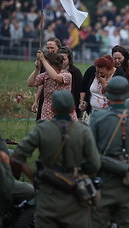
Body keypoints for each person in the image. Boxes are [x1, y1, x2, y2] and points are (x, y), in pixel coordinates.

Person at [12, 90, 101, 228]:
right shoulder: (83, 131)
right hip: (75, 194)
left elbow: (17, 156)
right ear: (72, 108)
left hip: (48, 194)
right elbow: (94, 164)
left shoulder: (42, 129)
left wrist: (33, 177)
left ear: (52, 108)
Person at [90, 76, 129, 228]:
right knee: (128, 223)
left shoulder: (98, 117)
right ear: (127, 94)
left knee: (97, 223)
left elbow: (90, 148)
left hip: (103, 178)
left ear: (108, 94)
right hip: (128, 179)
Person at [27, 50, 77, 121]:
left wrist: (43, 60)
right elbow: (30, 83)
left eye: (47, 64)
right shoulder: (44, 75)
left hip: (63, 110)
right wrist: (37, 69)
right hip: (47, 111)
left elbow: (55, 77)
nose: (45, 66)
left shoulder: (67, 75)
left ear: (54, 65)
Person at [57, 46, 83, 118]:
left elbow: (80, 88)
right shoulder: (54, 71)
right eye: (59, 59)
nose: (62, 61)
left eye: (64, 59)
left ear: (69, 59)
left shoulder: (76, 72)